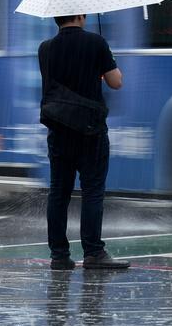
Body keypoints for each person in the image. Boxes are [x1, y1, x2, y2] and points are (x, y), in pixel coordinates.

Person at [38, 13, 128, 270]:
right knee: (92, 191)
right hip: (90, 131)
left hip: (59, 131)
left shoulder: (45, 49)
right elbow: (116, 82)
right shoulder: (96, 42)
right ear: (80, 16)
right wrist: (104, 63)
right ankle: (93, 252)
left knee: (59, 192)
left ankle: (59, 255)